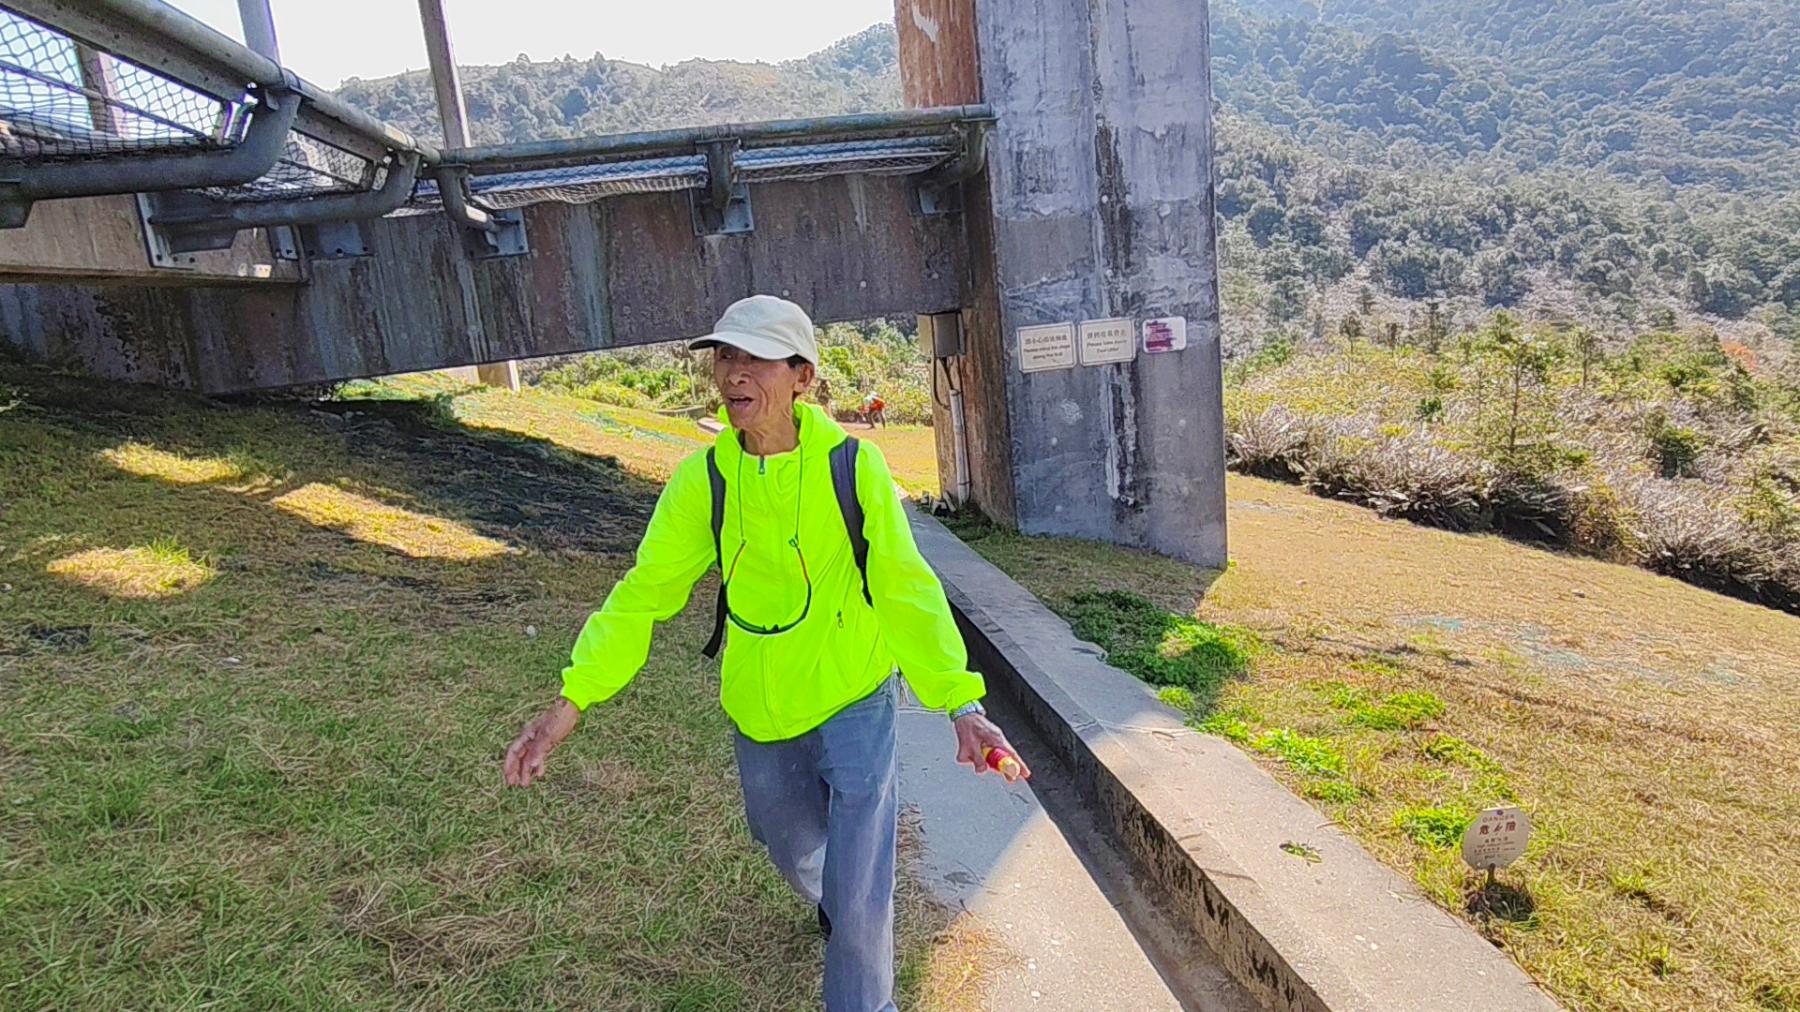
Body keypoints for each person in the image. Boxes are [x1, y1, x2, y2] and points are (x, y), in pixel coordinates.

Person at [502, 295, 1029, 1012]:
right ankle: (833, 901)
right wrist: (570, 704)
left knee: (862, 890)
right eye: (726, 356)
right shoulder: (705, 481)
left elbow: (906, 588)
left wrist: (960, 703)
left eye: (756, 359)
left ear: (802, 377)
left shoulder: (853, 468)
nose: (734, 374)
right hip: (760, 706)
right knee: (789, 844)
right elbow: (643, 595)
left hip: (854, 694)